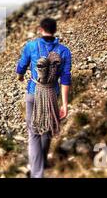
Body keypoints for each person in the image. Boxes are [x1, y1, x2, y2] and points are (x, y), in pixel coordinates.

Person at [16, 17, 72, 178]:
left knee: (33, 133)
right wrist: (65, 104)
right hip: (51, 95)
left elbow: (21, 66)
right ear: (55, 30)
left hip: (33, 91)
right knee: (47, 128)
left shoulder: (31, 46)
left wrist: (20, 76)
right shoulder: (64, 51)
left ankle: (37, 173)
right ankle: (42, 162)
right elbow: (66, 78)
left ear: (41, 29)